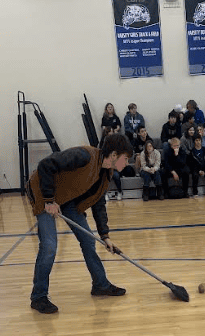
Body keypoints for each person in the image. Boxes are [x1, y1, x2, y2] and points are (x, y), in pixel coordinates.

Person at [25, 133, 133, 314]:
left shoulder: (106, 173)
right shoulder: (85, 156)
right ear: (114, 155)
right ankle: (38, 296)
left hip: (68, 200)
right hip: (43, 193)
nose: (127, 163)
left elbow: (99, 204)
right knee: (49, 246)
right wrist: (49, 200)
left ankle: (100, 285)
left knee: (88, 240)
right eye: (126, 158)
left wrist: (105, 236)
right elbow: (46, 164)